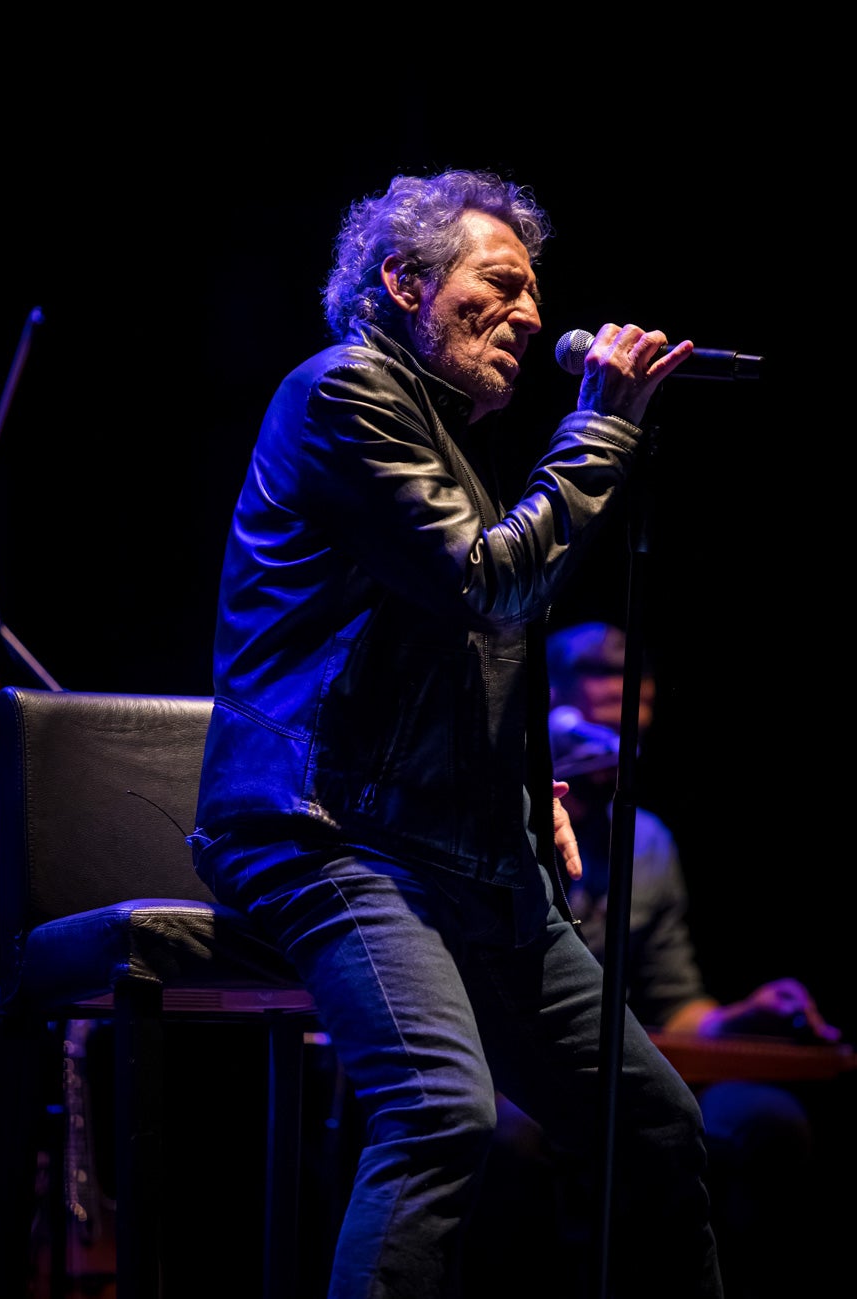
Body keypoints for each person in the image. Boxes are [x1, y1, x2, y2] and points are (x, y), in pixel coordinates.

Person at [189, 168, 724, 1298]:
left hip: (465, 851)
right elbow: (488, 583)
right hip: (326, 831)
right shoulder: (343, 394)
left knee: (656, 1126)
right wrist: (600, 432)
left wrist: (532, 802)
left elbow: (462, 645)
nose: (533, 316)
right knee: (438, 1111)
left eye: (536, 293)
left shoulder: (447, 445)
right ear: (403, 282)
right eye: (501, 285)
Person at [529, 620, 843, 1299]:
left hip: (630, 1068)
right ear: (549, 694)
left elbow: (675, 1007)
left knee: (764, 1120)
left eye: (636, 687)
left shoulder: (649, 841)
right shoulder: (501, 816)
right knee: (511, 1133)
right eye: (603, 676)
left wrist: (744, 1018)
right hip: (519, 1064)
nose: (625, 694)